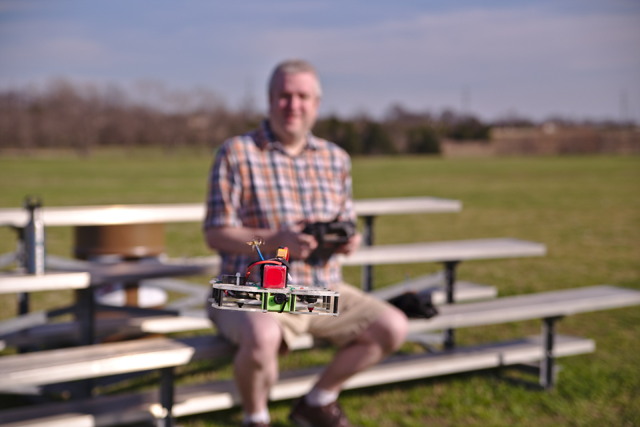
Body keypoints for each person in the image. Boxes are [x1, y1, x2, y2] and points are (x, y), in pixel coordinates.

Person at [203, 59, 408, 427]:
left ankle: (317, 401)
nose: (293, 105)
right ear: (269, 100)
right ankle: (256, 417)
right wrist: (275, 241)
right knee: (263, 334)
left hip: (319, 288)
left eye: (302, 96)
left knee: (392, 326)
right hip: (247, 288)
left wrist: (346, 239)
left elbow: (344, 221)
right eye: (284, 96)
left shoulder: (335, 158)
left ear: (316, 103)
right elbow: (215, 233)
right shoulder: (237, 153)